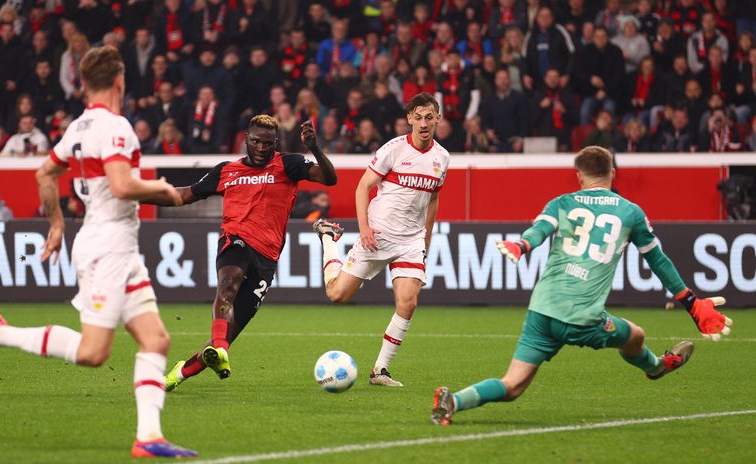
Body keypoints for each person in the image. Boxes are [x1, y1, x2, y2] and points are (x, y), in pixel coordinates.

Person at [0, 46, 196, 459]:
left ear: (84, 83)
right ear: (120, 81)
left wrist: (56, 223)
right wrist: (162, 189)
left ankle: (148, 437)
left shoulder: (79, 127)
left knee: (155, 339)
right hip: (107, 247)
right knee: (93, 353)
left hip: (113, 244)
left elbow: (45, 172)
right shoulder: (116, 127)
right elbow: (122, 185)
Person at [430, 146, 732, 426]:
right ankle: (656, 367)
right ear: (612, 172)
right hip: (583, 318)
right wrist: (691, 302)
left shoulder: (562, 202)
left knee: (512, 386)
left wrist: (521, 245)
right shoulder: (630, 212)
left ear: (578, 176)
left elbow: (540, 230)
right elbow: (658, 260)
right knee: (635, 335)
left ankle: (453, 401)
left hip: (543, 312)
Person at [162, 115, 337, 391]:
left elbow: (330, 178)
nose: (260, 148)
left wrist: (314, 148)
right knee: (228, 283)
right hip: (236, 240)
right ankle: (220, 349)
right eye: (255, 141)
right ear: (246, 138)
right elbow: (185, 195)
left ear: (275, 143)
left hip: (267, 259)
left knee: (229, 333)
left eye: (267, 143)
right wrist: (138, 193)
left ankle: (178, 374)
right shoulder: (226, 171)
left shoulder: (288, 164)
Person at [312, 92, 449, 387]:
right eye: (418, 117)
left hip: (411, 240)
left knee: (408, 302)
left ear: (438, 119)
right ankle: (329, 239)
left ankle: (380, 370)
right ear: (409, 119)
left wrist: (426, 240)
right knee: (337, 295)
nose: (424, 123)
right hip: (377, 234)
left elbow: (433, 199)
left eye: (430, 117)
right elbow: (363, 187)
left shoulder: (442, 158)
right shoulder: (394, 149)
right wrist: (364, 228)